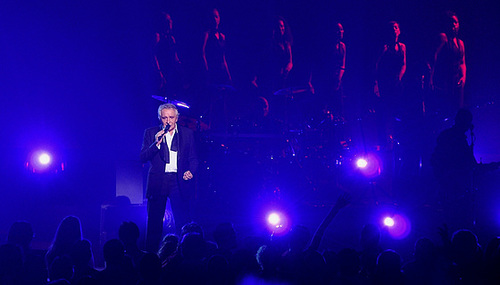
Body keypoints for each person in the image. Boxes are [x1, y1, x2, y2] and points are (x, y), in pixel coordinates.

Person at [140, 103, 198, 252]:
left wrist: (191, 171)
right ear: (160, 118)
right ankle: (151, 255)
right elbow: (143, 157)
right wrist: (156, 143)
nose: (168, 121)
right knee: (154, 221)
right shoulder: (151, 132)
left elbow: (193, 158)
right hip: (158, 180)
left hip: (177, 181)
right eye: (165, 118)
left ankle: (185, 253)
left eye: (171, 117)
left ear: (177, 118)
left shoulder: (187, 133)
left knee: (182, 220)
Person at [374, 21, 407, 146]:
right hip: (385, 81)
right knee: (385, 110)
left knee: (396, 109)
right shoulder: (385, 47)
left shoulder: (402, 47)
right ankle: (384, 138)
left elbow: (404, 64)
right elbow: (377, 65)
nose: (394, 29)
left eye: (396, 27)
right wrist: (376, 84)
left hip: (397, 82)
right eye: (392, 28)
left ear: (399, 30)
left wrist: (399, 76)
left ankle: (395, 136)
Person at [430, 11, 466, 118]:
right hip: (445, 80)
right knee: (446, 110)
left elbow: (463, 62)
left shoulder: (460, 43)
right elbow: (434, 58)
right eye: (451, 22)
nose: (453, 25)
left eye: (456, 22)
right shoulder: (443, 38)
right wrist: (431, 78)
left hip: (457, 82)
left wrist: (463, 77)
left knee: (457, 110)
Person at [154, 12, 183, 97]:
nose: (169, 22)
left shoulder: (171, 38)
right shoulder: (157, 36)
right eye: (166, 20)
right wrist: (159, 72)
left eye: (170, 20)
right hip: (161, 70)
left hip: (169, 73)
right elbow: (153, 55)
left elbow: (175, 57)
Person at [202, 8, 231, 86]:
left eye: (216, 16)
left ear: (219, 19)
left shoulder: (222, 37)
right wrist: (206, 70)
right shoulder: (207, 35)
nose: (214, 19)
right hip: (211, 69)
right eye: (212, 17)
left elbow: (223, 57)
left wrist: (228, 74)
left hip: (220, 70)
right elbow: (202, 54)